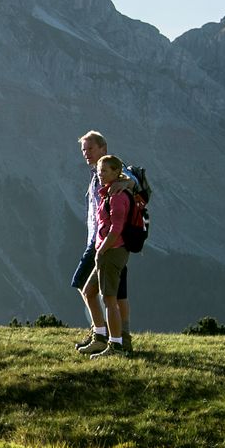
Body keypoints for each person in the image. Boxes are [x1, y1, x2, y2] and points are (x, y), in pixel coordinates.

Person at [72, 131, 139, 356]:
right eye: (84, 150)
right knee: (115, 293)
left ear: (104, 148)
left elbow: (133, 181)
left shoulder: (117, 174)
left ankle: (109, 339)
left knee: (100, 291)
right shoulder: (99, 176)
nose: (86, 153)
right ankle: (118, 338)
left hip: (107, 243)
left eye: (90, 148)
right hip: (103, 241)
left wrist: (127, 182)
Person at [84, 156, 134, 358]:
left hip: (112, 251)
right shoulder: (108, 193)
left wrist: (102, 250)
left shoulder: (117, 195)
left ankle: (116, 345)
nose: (100, 174)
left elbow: (116, 228)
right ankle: (103, 338)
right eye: (98, 170)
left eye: (104, 171)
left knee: (110, 299)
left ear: (116, 173)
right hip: (106, 251)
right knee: (89, 291)